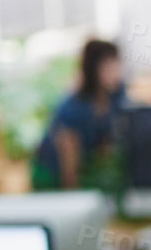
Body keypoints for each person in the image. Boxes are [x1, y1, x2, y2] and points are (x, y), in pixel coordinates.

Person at [33, 38, 126, 191]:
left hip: (84, 167)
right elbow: (69, 166)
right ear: (93, 70)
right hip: (53, 175)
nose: (116, 72)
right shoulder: (74, 107)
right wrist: (73, 195)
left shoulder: (115, 95)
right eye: (109, 67)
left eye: (117, 64)